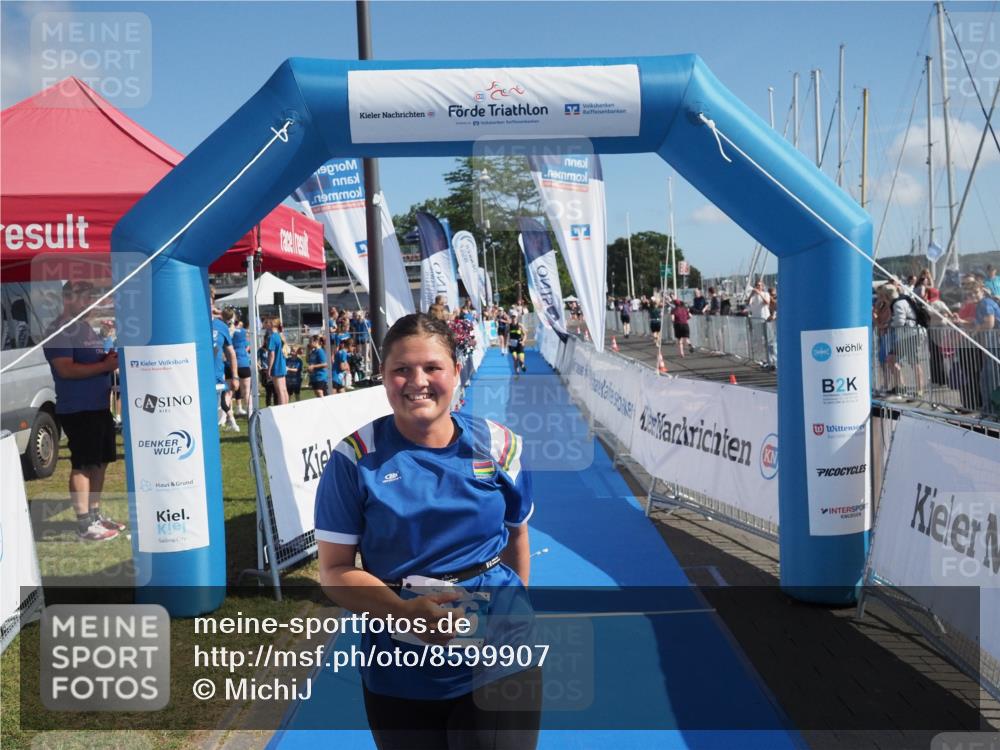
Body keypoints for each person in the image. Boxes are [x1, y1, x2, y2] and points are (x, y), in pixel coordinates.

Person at [315, 313, 539, 749]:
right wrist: (403, 612)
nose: (418, 381)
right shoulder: (353, 459)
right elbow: (335, 572)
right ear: (383, 378)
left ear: (457, 371)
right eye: (402, 369)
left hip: (502, 657)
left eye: (433, 367)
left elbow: (517, 536)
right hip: (398, 671)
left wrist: (511, 612)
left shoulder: (499, 445)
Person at [43, 281, 125, 541]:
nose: (89, 303)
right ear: (67, 298)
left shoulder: (85, 327)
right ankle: (84, 524)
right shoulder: (60, 330)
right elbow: (66, 369)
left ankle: (95, 515)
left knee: (100, 462)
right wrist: (104, 367)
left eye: (91, 298)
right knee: (83, 464)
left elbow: (89, 360)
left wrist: (106, 360)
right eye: (84, 298)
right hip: (77, 408)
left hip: (98, 406)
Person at [213, 308, 239, 432]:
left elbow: (231, 353)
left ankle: (231, 422)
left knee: (224, 399)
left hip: (217, 374)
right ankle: (229, 421)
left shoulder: (221, 326)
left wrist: (235, 377)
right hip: (197, 376)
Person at [231, 316, 252, 416]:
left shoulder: (231, 332)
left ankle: (231, 412)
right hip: (244, 363)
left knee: (233, 390)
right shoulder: (244, 332)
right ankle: (250, 411)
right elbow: (248, 344)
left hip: (233, 364)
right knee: (247, 390)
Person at [265, 317, 289, 405]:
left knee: (280, 391)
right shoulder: (279, 335)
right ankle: (286, 408)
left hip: (276, 366)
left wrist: (269, 369)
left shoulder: (272, 337)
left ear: (272, 324)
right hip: (282, 365)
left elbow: (272, 354)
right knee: (284, 389)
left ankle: (282, 411)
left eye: (268, 323)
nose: (267, 325)